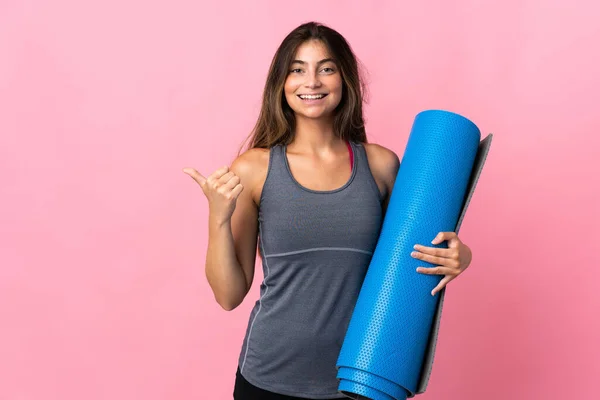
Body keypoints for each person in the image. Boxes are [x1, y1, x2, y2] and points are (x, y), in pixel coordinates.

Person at [183, 21, 473, 400]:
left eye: (327, 68)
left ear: (344, 79)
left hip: (364, 377)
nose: (312, 81)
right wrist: (218, 219)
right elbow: (228, 295)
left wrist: (459, 256)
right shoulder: (253, 169)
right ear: (281, 83)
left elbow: (410, 259)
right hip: (270, 378)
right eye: (297, 69)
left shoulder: (382, 166)